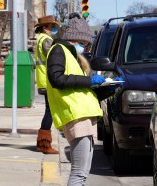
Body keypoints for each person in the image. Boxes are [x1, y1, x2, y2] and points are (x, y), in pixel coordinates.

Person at [46, 12, 106, 186]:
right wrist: (89, 80)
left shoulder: (71, 55)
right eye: (83, 44)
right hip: (75, 116)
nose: (85, 48)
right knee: (79, 173)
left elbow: (81, 90)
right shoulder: (59, 50)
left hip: (83, 116)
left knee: (83, 172)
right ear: (74, 39)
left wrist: (107, 89)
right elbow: (57, 78)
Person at [34, 15, 60, 154]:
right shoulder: (46, 40)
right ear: (45, 28)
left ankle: (42, 143)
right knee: (49, 112)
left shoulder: (40, 39)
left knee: (49, 111)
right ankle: (44, 145)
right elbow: (54, 58)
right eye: (51, 27)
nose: (53, 29)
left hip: (44, 80)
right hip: (48, 80)